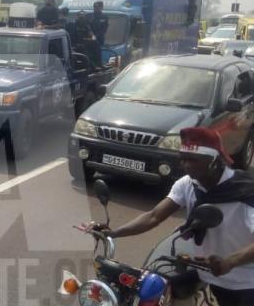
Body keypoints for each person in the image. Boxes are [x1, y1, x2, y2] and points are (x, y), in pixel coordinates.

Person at [83, 127, 254, 306]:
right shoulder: (188, 184)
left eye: (193, 160)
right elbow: (154, 216)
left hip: (247, 280)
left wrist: (230, 261)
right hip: (213, 272)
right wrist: (113, 233)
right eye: (183, 159)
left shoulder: (245, 192)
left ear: (214, 161)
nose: (186, 165)